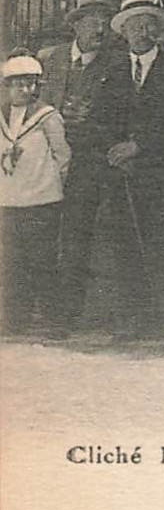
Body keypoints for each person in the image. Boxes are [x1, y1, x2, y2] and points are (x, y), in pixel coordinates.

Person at [97, 0, 164, 351]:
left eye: (147, 23)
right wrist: (116, 153)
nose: (141, 30)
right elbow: (101, 120)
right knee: (125, 246)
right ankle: (131, 318)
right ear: (123, 32)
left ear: (158, 30)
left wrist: (141, 146)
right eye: (133, 25)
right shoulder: (111, 72)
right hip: (122, 175)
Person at [37, 0, 117, 336]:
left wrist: (90, 125)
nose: (100, 28)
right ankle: (33, 307)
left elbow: (118, 118)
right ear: (76, 25)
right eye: (92, 21)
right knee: (39, 232)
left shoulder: (115, 66)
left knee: (74, 236)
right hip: (45, 160)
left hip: (87, 162)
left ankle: (65, 315)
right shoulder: (50, 60)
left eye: (104, 22)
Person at [0, 53, 71, 336]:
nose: (24, 90)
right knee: (12, 261)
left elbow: (62, 155)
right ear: (6, 87)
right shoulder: (2, 116)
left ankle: (55, 320)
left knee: (43, 260)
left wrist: (51, 183)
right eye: (17, 84)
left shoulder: (48, 116)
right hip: (8, 198)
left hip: (42, 198)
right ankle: (16, 318)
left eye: (30, 84)